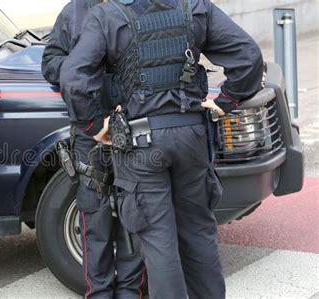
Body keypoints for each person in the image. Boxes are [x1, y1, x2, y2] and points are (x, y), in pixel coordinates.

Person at [60, 0, 264, 298]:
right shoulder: (194, 6)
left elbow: (73, 78)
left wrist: (93, 126)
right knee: (198, 234)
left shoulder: (106, 15)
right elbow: (249, 57)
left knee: (159, 243)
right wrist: (224, 103)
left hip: (142, 145)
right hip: (191, 137)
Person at [42, 0, 145, 298]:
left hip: (135, 124)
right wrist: (83, 66)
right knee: (93, 211)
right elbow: (50, 62)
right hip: (91, 125)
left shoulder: (139, 6)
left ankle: (129, 292)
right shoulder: (74, 10)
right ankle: (99, 292)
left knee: (135, 209)